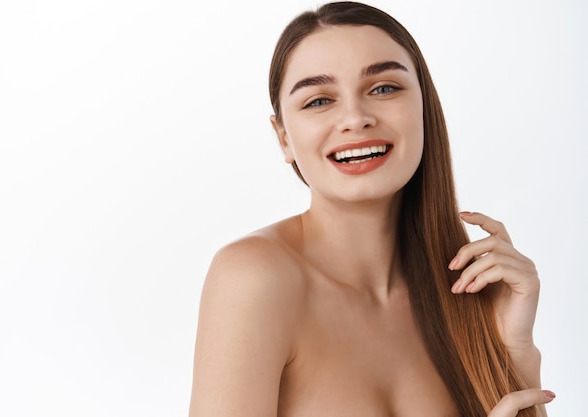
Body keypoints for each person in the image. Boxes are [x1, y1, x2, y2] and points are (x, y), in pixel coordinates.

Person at [189, 2, 554, 416]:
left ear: (424, 107)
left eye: (383, 88)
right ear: (284, 138)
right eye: (318, 101)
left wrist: (511, 353)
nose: (355, 118)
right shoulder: (254, 279)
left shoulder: (466, 295)